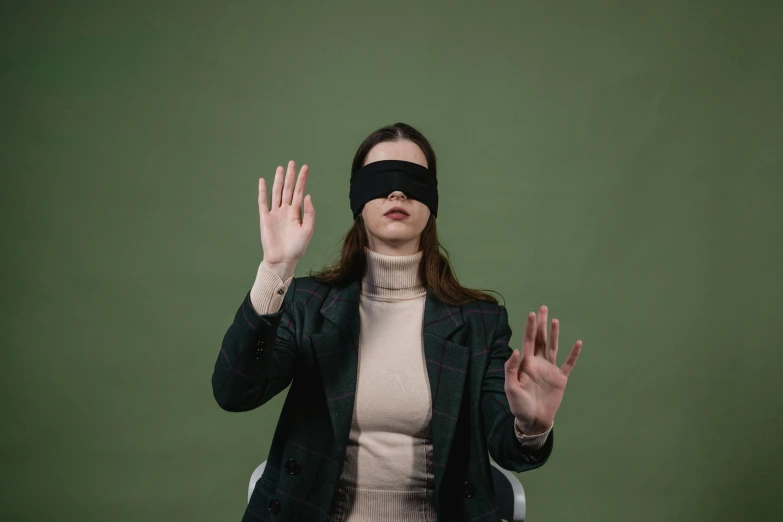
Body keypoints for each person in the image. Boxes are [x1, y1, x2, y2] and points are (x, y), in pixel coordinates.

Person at [212, 122, 583, 522]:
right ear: (358, 198)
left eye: (413, 180)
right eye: (381, 178)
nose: (397, 192)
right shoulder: (307, 305)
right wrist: (275, 270)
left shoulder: (479, 322)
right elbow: (234, 391)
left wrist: (531, 425)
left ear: (432, 201)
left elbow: (509, 450)